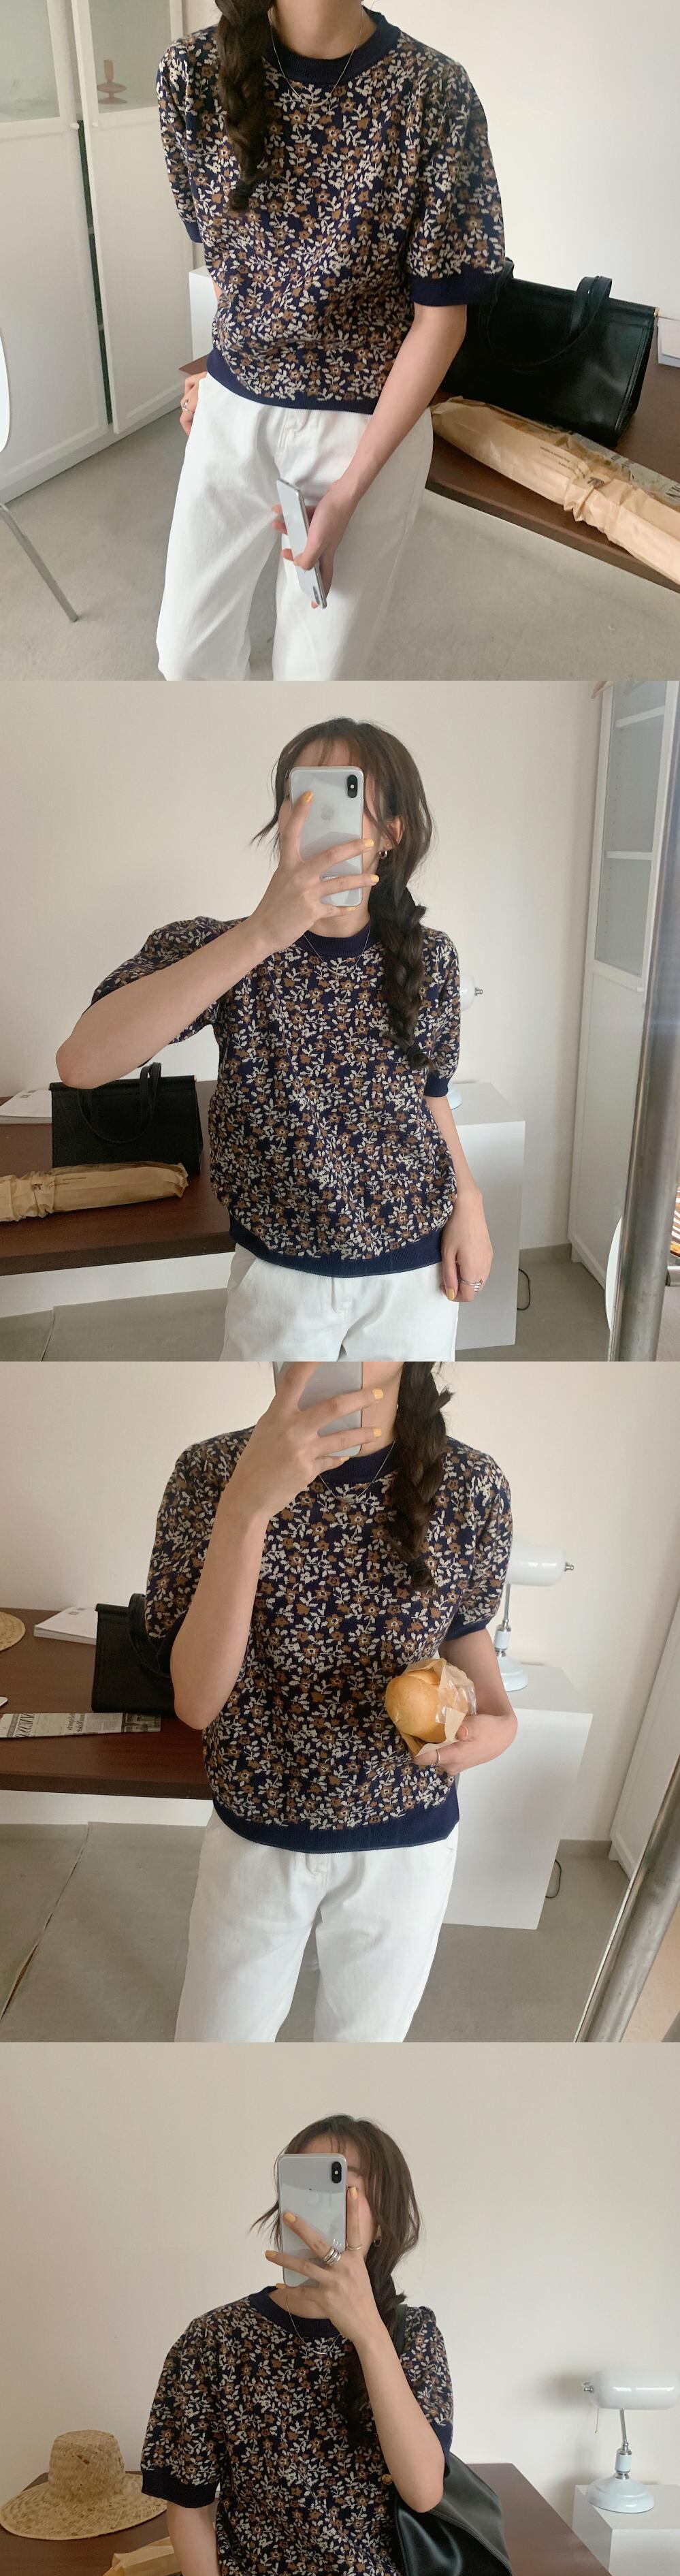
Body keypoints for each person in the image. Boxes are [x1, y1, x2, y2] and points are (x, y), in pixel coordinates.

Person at [56, 718, 493, 1364]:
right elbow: (81, 1063)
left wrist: (470, 1203)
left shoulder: (432, 959)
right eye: (302, 792)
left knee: (396, 1423)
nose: (317, 812)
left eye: (343, 791)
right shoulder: (223, 949)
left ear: (392, 833)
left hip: (414, 1269)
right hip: (278, 1276)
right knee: (267, 1420)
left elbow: (430, 1097)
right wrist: (261, 933)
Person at [142, 1362, 517, 2041]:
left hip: (408, 1831)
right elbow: (196, 1701)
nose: (334, 1345)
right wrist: (246, 1508)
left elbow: (463, 1629)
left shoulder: (473, 1483)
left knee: (363, 2056)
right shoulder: (210, 1473)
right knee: (215, 2050)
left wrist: (502, 1721)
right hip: (258, 1828)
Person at [155, 3, 504, 680]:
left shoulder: (435, 92)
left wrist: (350, 487)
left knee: (317, 673)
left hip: (365, 423)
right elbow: (228, 262)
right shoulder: (191, 73)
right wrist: (221, 370)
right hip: (232, 407)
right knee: (185, 657)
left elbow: (441, 319)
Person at [141, 2113, 454, 2576]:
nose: (324, 2203)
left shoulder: (411, 2334)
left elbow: (423, 2489)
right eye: (308, 2181)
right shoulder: (214, 2341)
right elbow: (187, 2506)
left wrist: (368, 2332)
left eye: (347, 2183)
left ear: (384, 2216)